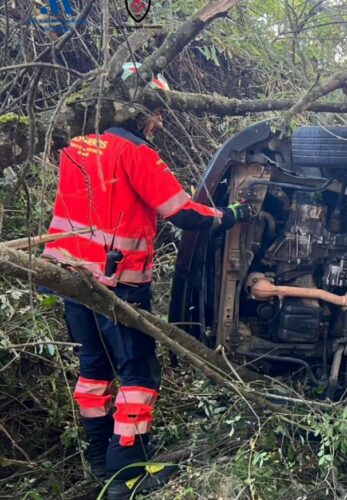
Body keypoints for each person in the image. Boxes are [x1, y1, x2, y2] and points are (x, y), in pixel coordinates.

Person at [42, 62, 251, 499]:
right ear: (139, 109)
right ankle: (126, 476)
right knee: (138, 375)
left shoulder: (75, 143)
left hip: (66, 276)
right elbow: (182, 213)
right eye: (155, 113)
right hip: (117, 284)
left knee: (93, 372)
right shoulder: (136, 152)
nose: (158, 122)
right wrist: (229, 215)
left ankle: (100, 462)